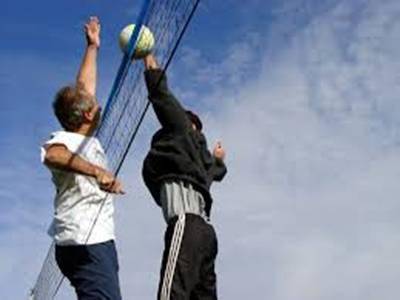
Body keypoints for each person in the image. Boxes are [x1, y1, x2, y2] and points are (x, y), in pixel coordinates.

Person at [41, 17, 124, 300]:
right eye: (93, 102)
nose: (95, 99)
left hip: (90, 240)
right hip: (85, 240)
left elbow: (84, 86)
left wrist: (92, 48)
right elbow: (53, 155)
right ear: (88, 115)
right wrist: (96, 171)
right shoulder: (67, 140)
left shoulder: (81, 135)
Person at [141, 53, 228, 300]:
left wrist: (149, 61)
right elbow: (216, 172)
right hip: (208, 237)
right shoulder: (200, 163)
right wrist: (219, 158)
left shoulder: (179, 134)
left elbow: (162, 97)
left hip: (186, 223)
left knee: (172, 294)